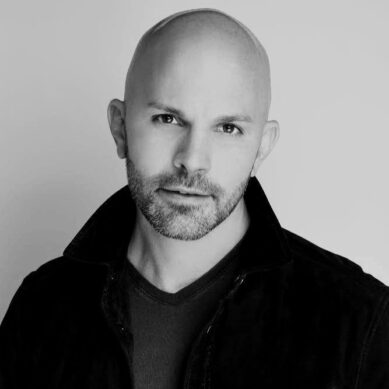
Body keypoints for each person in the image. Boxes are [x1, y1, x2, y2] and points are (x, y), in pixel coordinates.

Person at [0, 8, 388, 389]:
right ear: (121, 128)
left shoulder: (359, 322)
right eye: (168, 119)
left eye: (228, 128)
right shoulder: (42, 306)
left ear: (262, 148)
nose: (192, 160)